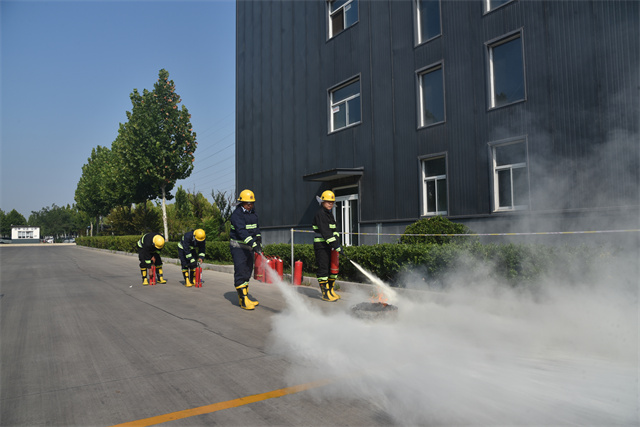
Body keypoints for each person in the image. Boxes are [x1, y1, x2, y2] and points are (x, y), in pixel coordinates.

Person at [229, 189, 262, 310]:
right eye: (248, 203)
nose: (250, 205)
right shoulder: (237, 215)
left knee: (247, 271)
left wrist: (258, 240)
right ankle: (243, 301)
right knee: (241, 271)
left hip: (248, 247)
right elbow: (241, 231)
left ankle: (245, 297)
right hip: (238, 247)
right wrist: (252, 243)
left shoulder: (253, 214)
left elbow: (256, 228)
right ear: (242, 203)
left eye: (252, 203)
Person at [312, 190, 341, 301]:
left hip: (329, 245)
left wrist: (337, 243)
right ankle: (325, 294)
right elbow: (326, 232)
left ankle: (331, 290)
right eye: (328, 201)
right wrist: (335, 244)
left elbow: (334, 230)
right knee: (323, 270)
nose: (330, 204)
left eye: (332, 202)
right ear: (322, 202)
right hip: (321, 245)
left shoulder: (329, 214)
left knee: (332, 269)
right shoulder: (320, 214)